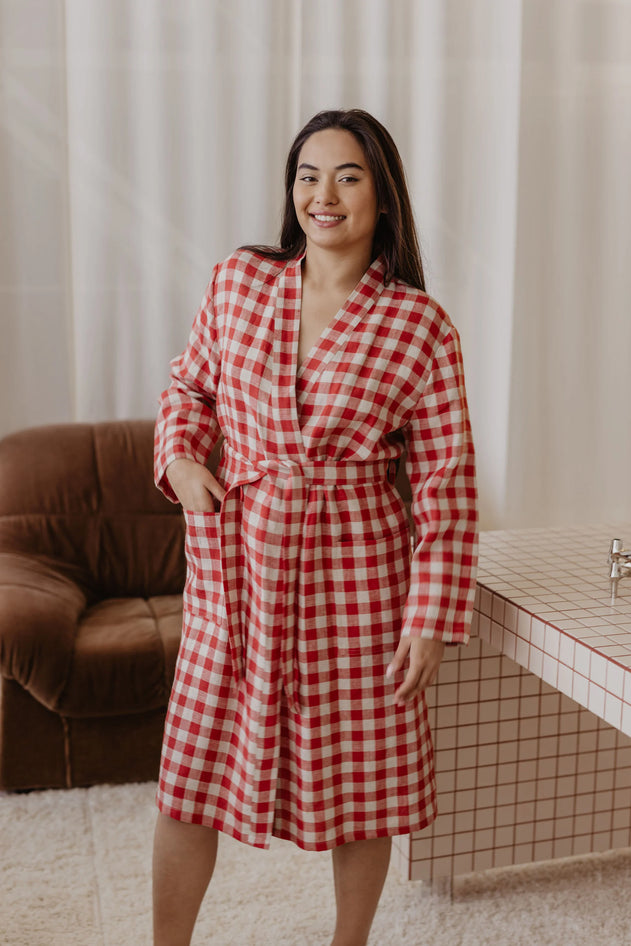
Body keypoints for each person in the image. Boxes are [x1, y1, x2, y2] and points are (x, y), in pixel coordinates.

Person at [152, 108, 478, 946]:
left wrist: (430, 620)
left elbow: (446, 484)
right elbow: (188, 391)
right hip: (239, 568)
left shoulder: (419, 325)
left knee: (362, 781)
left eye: (347, 175)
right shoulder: (239, 282)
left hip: (359, 572)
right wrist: (183, 464)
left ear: (382, 195)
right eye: (307, 175)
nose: (322, 194)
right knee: (189, 775)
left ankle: (348, 942)